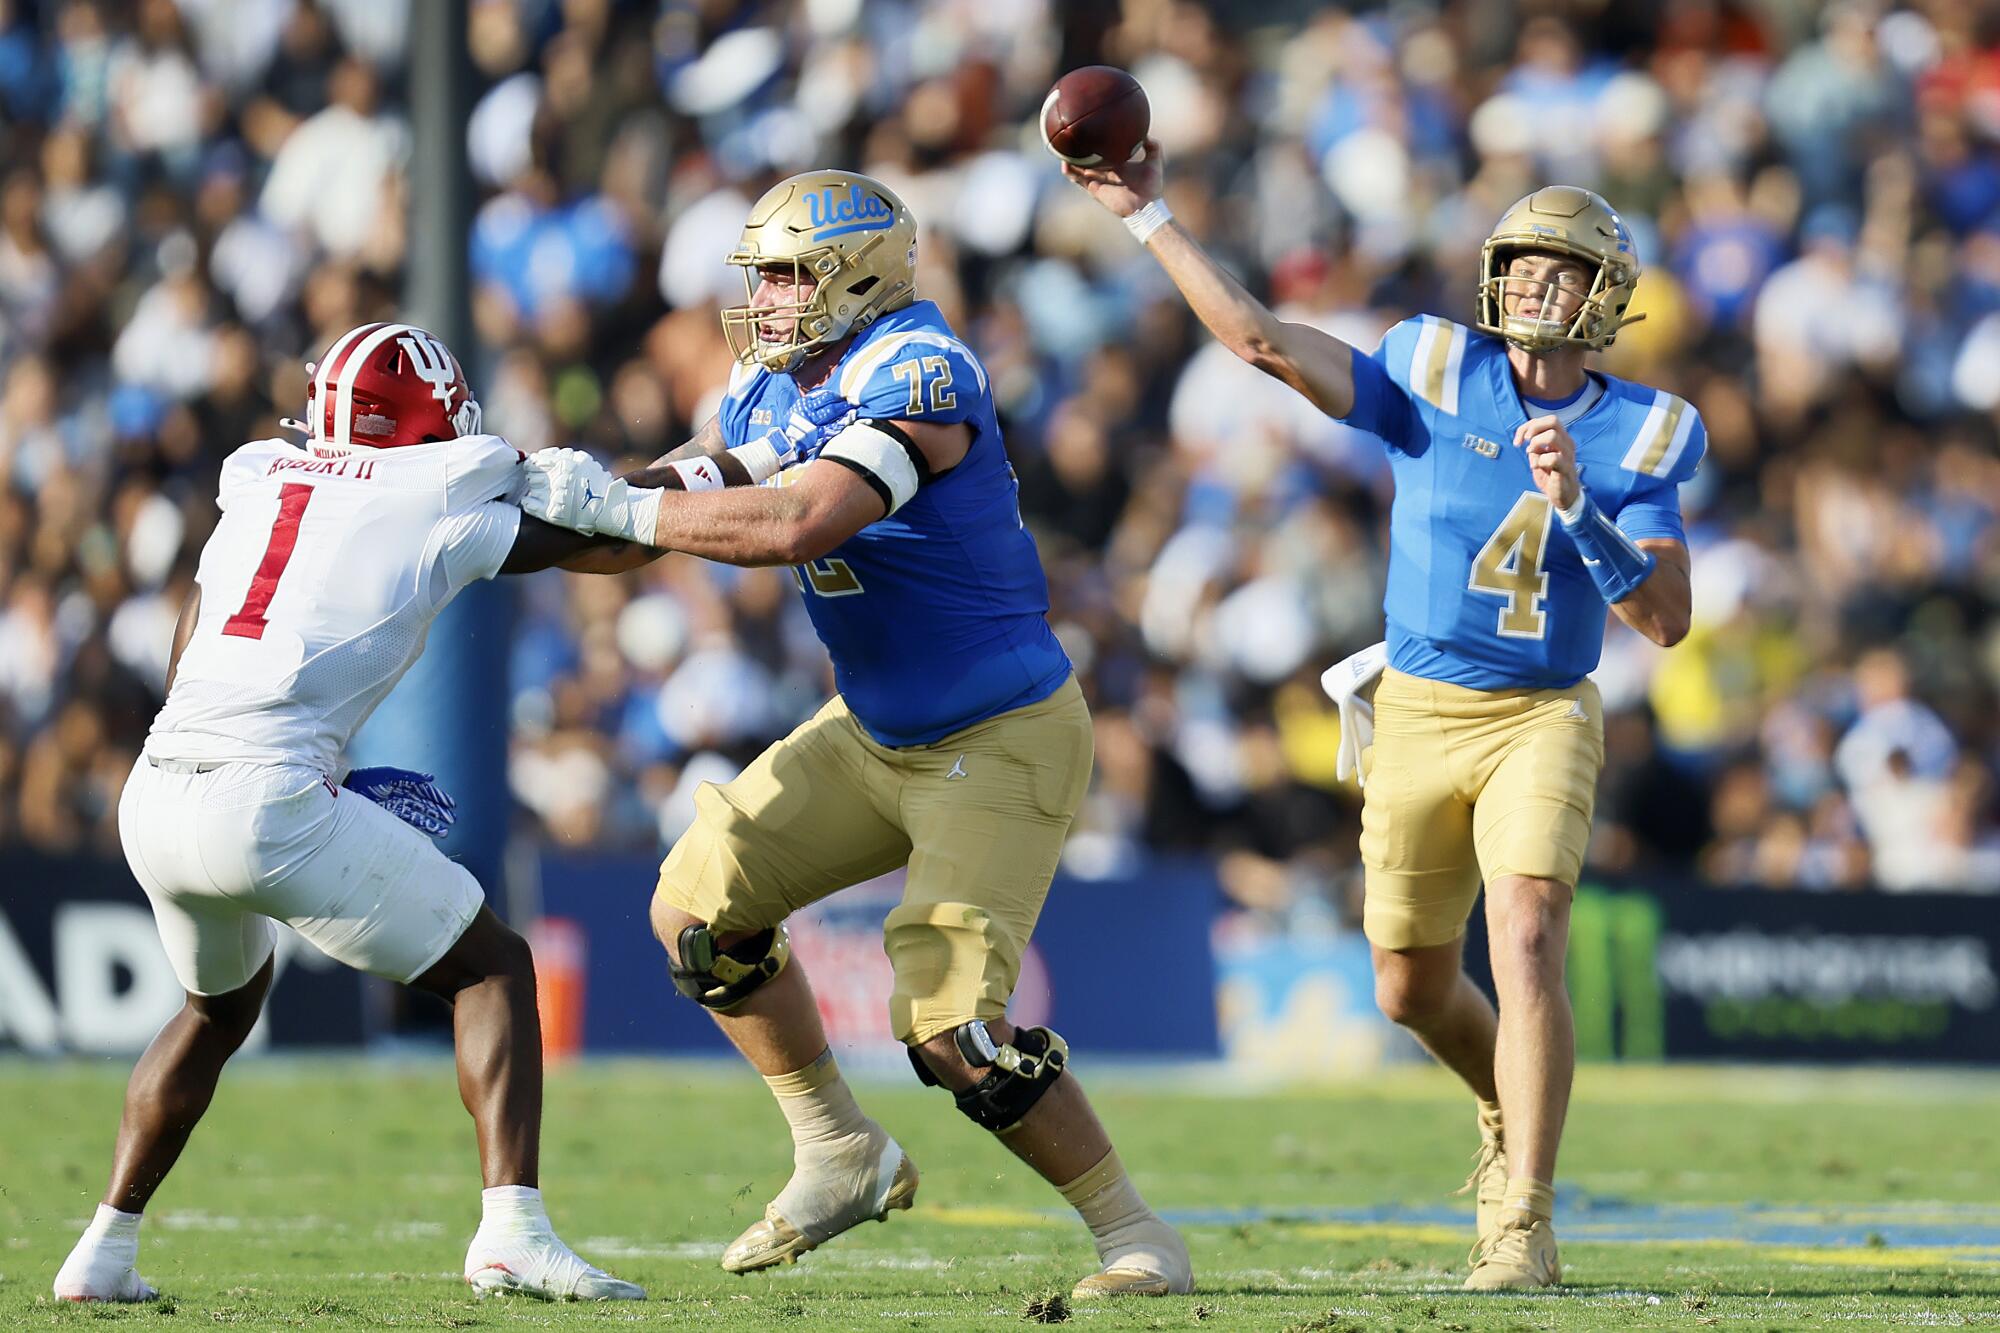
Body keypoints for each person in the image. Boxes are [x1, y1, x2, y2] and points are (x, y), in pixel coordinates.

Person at [521, 169, 1193, 1301]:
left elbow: (800, 518)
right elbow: (652, 515)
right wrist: (508, 514)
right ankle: (838, 1149)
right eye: (763, 275)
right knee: (696, 914)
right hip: (875, 729)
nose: (767, 298)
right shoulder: (771, 383)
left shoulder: (923, 371)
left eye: (789, 274)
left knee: (949, 1032)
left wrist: (612, 507)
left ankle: (1136, 1234)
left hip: (1001, 733)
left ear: (861, 273)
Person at [1063, 147, 1698, 1290]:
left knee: (1528, 930)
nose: (1534, 288)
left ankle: (1523, 1222)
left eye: (1562, 272)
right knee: (1406, 986)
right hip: (1412, 708)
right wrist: (1143, 212)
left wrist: (1580, 511)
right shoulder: (1433, 366)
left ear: (1603, 295)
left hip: (1540, 711)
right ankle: (1501, 1112)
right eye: (1523, 265)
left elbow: (1662, 620)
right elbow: (1259, 341)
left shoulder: (1644, 430)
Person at [53, 323, 648, 1304]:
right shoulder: (435, 495)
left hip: (159, 788)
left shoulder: (258, 483)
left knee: (215, 1010)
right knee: (492, 967)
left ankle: (102, 1251)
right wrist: (669, 487)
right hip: (264, 799)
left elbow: (190, 645)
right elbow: (610, 550)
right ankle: (513, 1231)